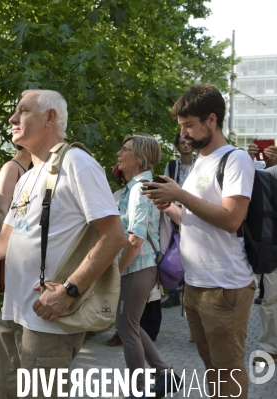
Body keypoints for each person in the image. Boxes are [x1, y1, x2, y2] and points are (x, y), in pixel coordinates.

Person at [0, 90, 125, 398]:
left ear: (50, 117)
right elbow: (4, 241)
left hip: (48, 322)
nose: (12, 119)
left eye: (22, 111)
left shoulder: (77, 163)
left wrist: (70, 290)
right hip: (12, 315)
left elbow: (114, 235)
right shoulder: (27, 176)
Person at [144, 83, 255, 398]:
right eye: (181, 127)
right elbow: (194, 220)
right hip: (194, 286)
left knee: (228, 368)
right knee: (209, 361)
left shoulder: (235, 160)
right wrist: (170, 208)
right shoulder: (198, 165)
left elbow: (231, 218)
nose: (184, 134)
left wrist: (179, 194)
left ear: (211, 120)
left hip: (225, 288)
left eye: (189, 125)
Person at [114, 134, 174, 397]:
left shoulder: (140, 189)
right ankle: (164, 373)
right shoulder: (136, 187)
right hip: (138, 266)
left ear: (138, 157)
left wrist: (114, 271)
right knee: (132, 324)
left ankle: (137, 389)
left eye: (124, 149)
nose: (118, 153)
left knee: (126, 328)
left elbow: (135, 238)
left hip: (137, 266)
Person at [247, 142, 277, 364]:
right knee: (271, 300)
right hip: (273, 249)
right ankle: (270, 348)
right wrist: (249, 159)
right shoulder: (268, 174)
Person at [161, 131, 196, 308]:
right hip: (174, 212)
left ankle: (190, 289)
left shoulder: (199, 165)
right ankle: (174, 291)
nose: (186, 145)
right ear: (178, 145)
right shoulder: (172, 165)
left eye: (188, 142)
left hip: (194, 212)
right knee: (174, 249)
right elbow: (166, 186)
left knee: (192, 250)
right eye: (182, 142)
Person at [0, 144, 32, 229]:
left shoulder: (31, 168)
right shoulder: (11, 167)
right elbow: (1, 211)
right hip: (11, 233)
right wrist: (6, 240)